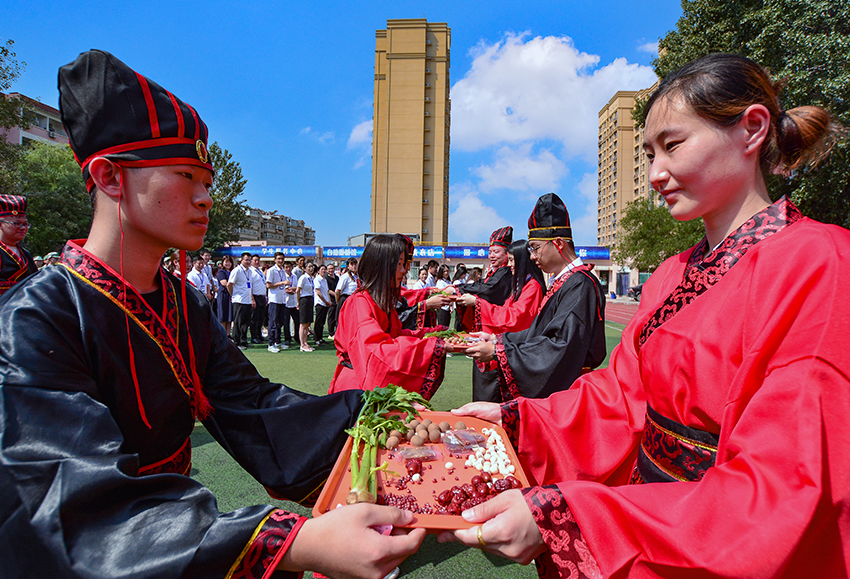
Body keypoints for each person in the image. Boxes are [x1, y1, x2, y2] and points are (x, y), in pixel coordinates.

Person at [0, 49, 423, 579]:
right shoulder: (33, 318)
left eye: (209, 182)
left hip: (171, 532)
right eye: (186, 176)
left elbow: (251, 404)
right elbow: (64, 504)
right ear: (109, 176)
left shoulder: (183, 302)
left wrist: (369, 418)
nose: (206, 199)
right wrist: (288, 543)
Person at [442, 53, 850, 578]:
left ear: (752, 129)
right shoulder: (671, 273)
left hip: (714, 533)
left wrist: (579, 515)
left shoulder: (822, 263)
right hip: (652, 511)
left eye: (673, 146)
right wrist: (521, 422)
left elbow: (789, 480)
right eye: (649, 154)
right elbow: (619, 396)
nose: (656, 174)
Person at [465, 193, 607, 401]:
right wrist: (497, 339)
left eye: (535, 248)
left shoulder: (580, 284)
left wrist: (499, 352)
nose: (532, 256)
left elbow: (558, 346)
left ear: (558, 243)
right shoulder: (566, 281)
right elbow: (540, 332)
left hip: (567, 392)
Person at [328, 234, 460, 399]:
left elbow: (397, 334)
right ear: (382, 267)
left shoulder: (378, 300)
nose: (404, 270)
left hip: (367, 386)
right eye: (399, 264)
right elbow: (376, 350)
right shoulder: (360, 303)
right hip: (357, 389)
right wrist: (432, 346)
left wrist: (433, 334)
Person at [455, 227, 515, 402]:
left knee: (490, 393)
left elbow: (487, 290)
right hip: (487, 333)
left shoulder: (506, 273)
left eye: (496, 252)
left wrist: (460, 291)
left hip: (496, 334)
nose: (492, 256)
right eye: (490, 252)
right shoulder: (497, 272)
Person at [456, 239, 545, 337]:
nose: (509, 264)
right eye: (490, 252)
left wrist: (477, 303)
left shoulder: (532, 287)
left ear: (522, 261)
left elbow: (516, 318)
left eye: (511, 260)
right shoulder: (523, 284)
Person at [0, 194, 38, 296]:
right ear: (0, 224)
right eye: (16, 223)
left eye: (25, 224)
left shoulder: (26, 254)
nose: (23, 228)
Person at [227, 252, 254, 350]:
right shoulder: (237, 270)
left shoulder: (250, 271)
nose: (248, 262)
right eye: (246, 260)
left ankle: (243, 340)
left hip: (247, 300)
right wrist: (233, 294)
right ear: (241, 260)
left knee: (246, 322)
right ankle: (236, 342)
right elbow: (229, 284)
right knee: (238, 322)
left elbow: (249, 286)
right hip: (239, 300)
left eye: (249, 260)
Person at [265, 251, 288, 352]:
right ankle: (271, 343)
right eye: (278, 259)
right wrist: (281, 283)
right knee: (273, 322)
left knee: (280, 322)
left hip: (282, 299)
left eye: (282, 259)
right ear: (275, 260)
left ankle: (277, 341)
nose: (280, 261)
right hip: (274, 299)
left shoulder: (283, 271)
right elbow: (268, 285)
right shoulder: (271, 271)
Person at [296, 261, 316, 352]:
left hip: (310, 299)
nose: (311, 268)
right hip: (304, 299)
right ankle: (302, 344)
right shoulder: (303, 277)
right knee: (303, 323)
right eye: (309, 267)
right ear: (304, 269)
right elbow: (298, 290)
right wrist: (298, 302)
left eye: (312, 267)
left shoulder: (311, 278)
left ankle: (306, 343)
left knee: (307, 323)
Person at [334, 257, 358, 327]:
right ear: (348, 266)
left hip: (355, 299)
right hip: (346, 298)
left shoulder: (357, 276)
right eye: (352, 264)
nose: (354, 266)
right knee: (343, 320)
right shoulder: (345, 276)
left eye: (355, 264)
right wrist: (338, 301)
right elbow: (337, 291)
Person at [249, 254, 267, 344]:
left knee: (261, 317)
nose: (257, 262)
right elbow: (250, 286)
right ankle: (254, 336)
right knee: (254, 318)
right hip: (255, 296)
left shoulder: (260, 271)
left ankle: (259, 335)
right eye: (255, 260)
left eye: (258, 260)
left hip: (262, 296)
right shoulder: (250, 271)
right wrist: (252, 299)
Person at [313, 263, 332, 346]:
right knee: (318, 321)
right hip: (320, 303)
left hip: (325, 303)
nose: (324, 271)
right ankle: (316, 339)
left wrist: (329, 301)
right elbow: (318, 292)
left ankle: (320, 338)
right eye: (322, 269)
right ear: (318, 271)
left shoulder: (324, 280)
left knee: (322, 322)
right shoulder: (317, 279)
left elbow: (327, 291)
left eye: (325, 269)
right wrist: (325, 301)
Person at [215, 254, 233, 336]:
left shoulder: (232, 272)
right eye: (226, 262)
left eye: (229, 262)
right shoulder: (221, 272)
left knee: (229, 316)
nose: (228, 264)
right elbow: (224, 283)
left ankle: (228, 334)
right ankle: (223, 334)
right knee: (223, 315)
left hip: (230, 295)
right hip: (223, 295)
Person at [325, 261, 339, 338]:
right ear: (327, 270)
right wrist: (336, 294)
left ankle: (337, 332)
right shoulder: (326, 278)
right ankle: (331, 333)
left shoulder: (337, 278)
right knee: (331, 317)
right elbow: (328, 290)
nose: (331, 270)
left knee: (337, 316)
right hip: (331, 300)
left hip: (337, 300)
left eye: (332, 268)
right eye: (329, 269)